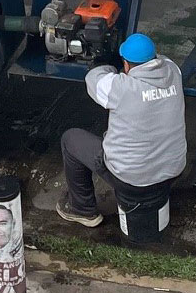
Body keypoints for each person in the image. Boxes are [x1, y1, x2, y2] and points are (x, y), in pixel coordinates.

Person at [58, 32, 186, 231]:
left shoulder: (120, 87)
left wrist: (108, 62)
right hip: (173, 171)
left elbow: (93, 77)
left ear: (125, 64)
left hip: (131, 180)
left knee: (70, 139)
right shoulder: (173, 71)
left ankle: (83, 210)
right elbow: (160, 62)